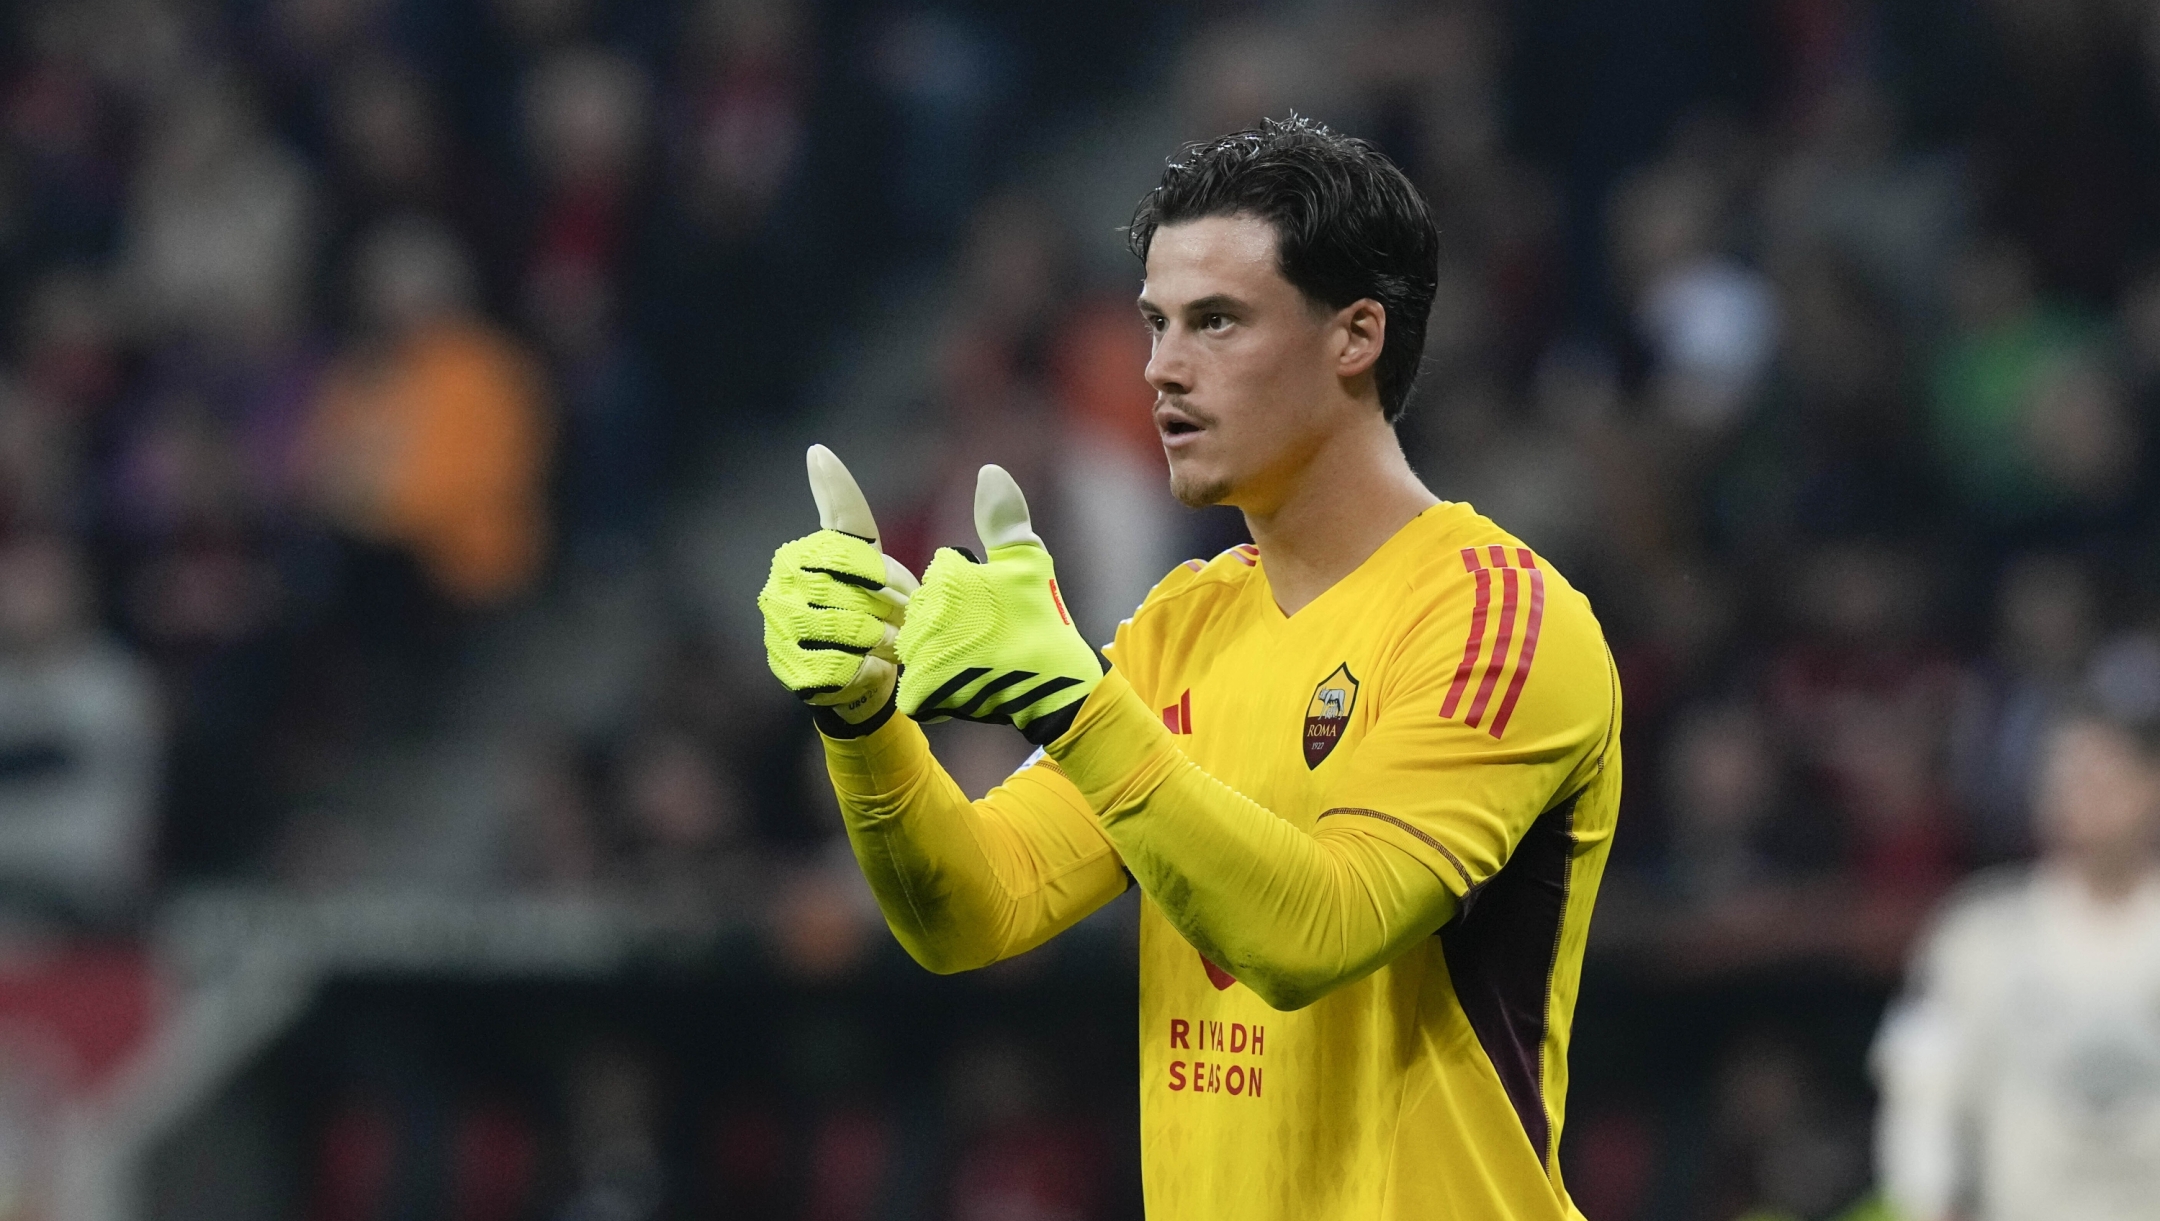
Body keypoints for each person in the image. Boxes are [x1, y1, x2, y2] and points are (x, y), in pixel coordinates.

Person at [758, 117, 1621, 1220]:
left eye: (1217, 323)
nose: (1160, 369)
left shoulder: (1498, 618)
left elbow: (1318, 934)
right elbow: (971, 910)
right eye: (1155, 325)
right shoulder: (1183, 625)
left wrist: (1074, 708)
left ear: (1355, 336)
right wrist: (863, 721)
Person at [1873, 702, 2160, 1221]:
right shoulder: (1978, 934)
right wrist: (1926, 1201)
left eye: (2106, 774)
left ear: (2152, 788)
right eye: (2067, 777)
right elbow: (1921, 1091)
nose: (2085, 794)